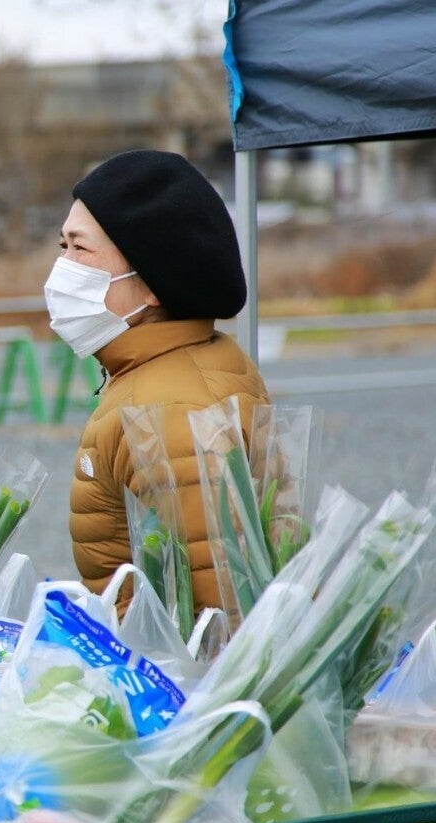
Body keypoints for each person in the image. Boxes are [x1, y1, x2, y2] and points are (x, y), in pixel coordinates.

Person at [45, 149, 270, 615]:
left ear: (152, 283)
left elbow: (223, 615)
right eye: (62, 246)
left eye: (80, 249)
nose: (62, 267)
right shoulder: (169, 365)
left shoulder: (172, 408)